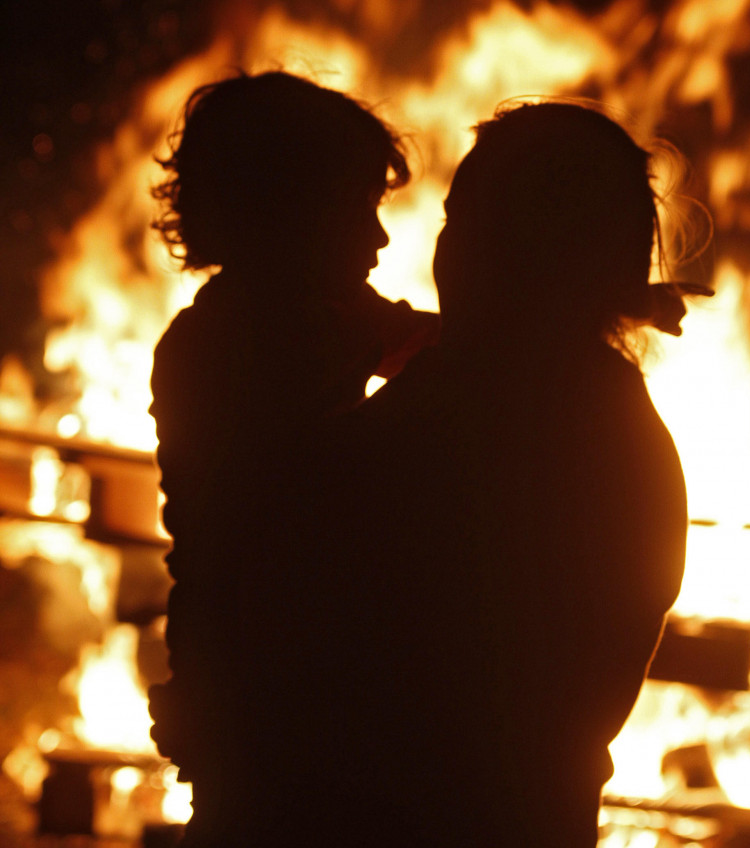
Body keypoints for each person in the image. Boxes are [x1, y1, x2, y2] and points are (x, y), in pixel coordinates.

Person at [256, 100, 704, 846]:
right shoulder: (617, 425)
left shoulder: (459, 415)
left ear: (516, 255)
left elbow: (287, 545)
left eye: (463, 225)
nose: (444, 251)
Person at [146, 70, 438, 846]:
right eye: (358, 212)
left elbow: (430, 346)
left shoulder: (321, 322)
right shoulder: (235, 350)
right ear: (286, 213)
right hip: (263, 694)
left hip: (270, 691)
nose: (378, 240)